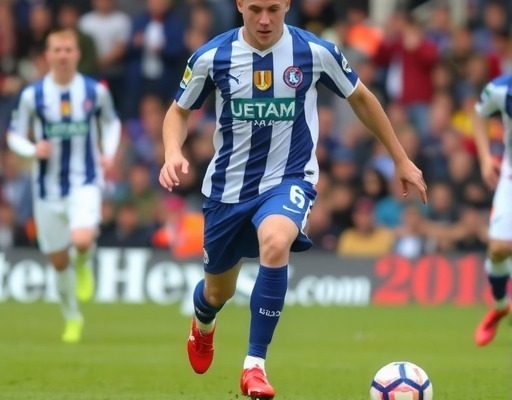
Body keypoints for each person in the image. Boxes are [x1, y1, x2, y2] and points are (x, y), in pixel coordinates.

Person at [159, 0, 427, 398]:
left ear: (287, 4)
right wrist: (172, 152)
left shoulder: (314, 52)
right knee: (217, 293)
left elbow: (361, 98)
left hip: (289, 179)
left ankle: (254, 366)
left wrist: (400, 158)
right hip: (227, 190)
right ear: (239, 5)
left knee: (276, 240)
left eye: (273, 8)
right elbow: (178, 112)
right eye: (255, 9)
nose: (265, 19)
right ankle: (203, 322)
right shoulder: (212, 57)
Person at [6, 28, 121, 343]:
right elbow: (14, 135)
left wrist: (109, 154)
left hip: (85, 181)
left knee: (82, 240)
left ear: (77, 54)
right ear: (47, 55)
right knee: (58, 261)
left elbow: (111, 123)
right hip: (47, 189)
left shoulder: (94, 91)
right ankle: (72, 317)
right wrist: (33, 149)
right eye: (57, 50)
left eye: (68, 49)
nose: (62, 55)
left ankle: (83, 263)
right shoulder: (33, 95)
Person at [472, 74, 512, 347]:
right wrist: (486, 158)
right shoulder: (501, 90)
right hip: (509, 176)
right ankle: (500, 306)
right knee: (498, 249)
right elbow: (478, 115)